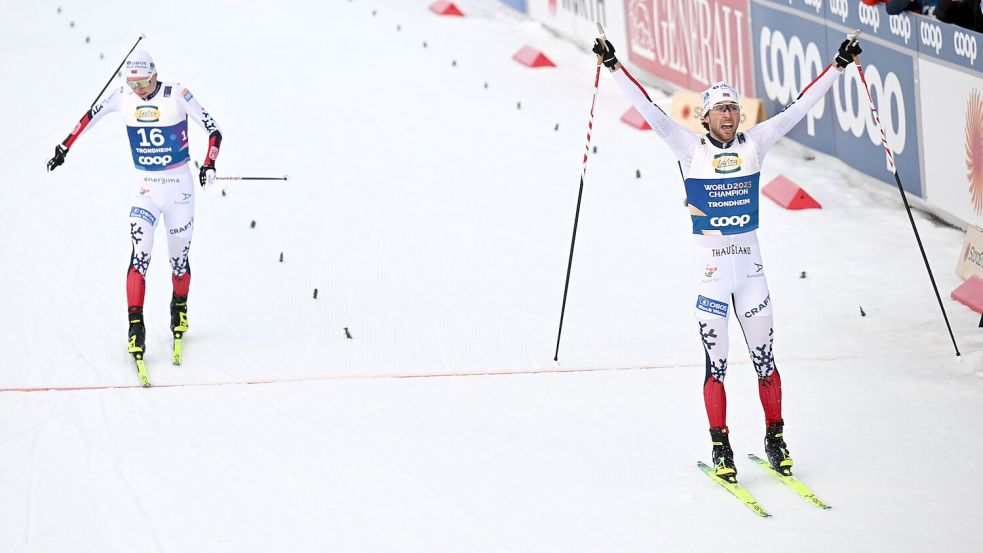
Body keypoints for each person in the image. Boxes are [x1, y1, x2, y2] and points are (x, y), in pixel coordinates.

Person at [591, 36, 861, 482]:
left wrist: (838, 65)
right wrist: (615, 65)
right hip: (712, 276)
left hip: (751, 274)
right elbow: (650, 111)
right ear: (706, 116)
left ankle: (775, 439)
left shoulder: (755, 143)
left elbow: (796, 110)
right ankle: (721, 446)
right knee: (716, 365)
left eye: (734, 108)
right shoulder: (687, 148)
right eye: (721, 110)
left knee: (765, 359)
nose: (730, 116)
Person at [46, 50, 222, 362]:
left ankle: (178, 307)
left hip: (179, 187)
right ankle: (135, 326)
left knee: (178, 262)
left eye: (142, 83)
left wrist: (208, 164)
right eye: (132, 83)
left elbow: (214, 130)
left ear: (155, 75)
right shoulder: (122, 96)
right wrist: (64, 147)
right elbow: (89, 117)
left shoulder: (177, 94)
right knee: (140, 255)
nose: (137, 90)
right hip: (145, 188)